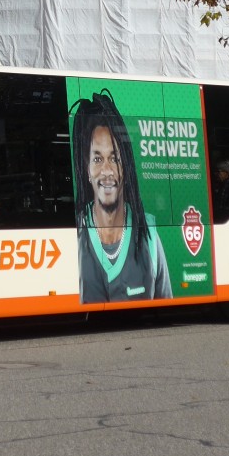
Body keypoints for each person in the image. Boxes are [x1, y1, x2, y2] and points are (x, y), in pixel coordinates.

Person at [71, 91, 172, 303]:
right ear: (87, 169)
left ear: (125, 165)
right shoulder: (75, 233)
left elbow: (165, 302)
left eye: (114, 158)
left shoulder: (148, 231)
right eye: (97, 159)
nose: (107, 170)